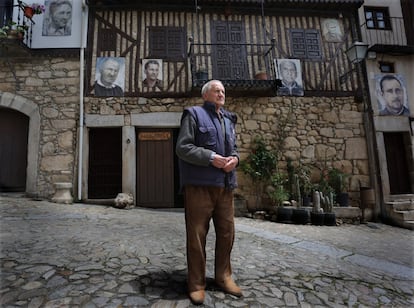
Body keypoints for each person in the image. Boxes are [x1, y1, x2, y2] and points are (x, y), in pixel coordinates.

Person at [176, 80, 242, 305]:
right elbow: (183, 147)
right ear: (206, 95)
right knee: (197, 235)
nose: (221, 93)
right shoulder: (193, 114)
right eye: (217, 90)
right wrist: (212, 158)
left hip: (225, 185)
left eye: (223, 90)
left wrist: (235, 159)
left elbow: (234, 148)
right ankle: (196, 284)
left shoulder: (229, 119)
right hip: (199, 186)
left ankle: (224, 277)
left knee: (227, 233)